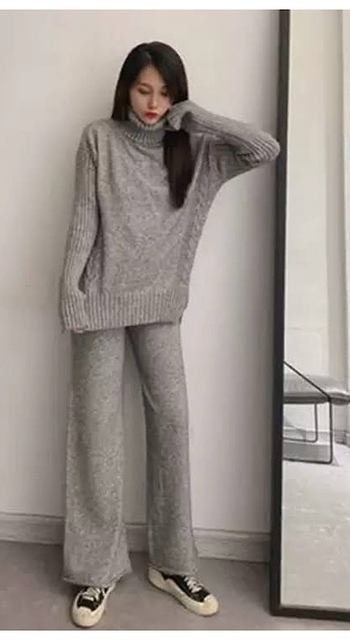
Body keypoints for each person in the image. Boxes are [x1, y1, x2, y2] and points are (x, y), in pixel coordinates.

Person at [59, 41, 280, 628]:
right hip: (98, 302)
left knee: (172, 425)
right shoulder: (99, 140)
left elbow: (265, 148)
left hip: (160, 306)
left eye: (165, 92)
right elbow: (83, 220)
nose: (153, 103)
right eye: (143, 90)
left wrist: (197, 116)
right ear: (125, 89)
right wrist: (70, 293)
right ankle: (97, 571)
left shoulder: (197, 150)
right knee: (97, 433)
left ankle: (173, 563)